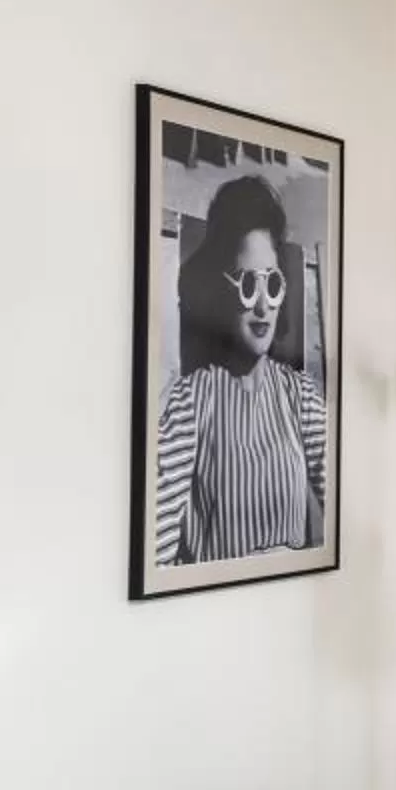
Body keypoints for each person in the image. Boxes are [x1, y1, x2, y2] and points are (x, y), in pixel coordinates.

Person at [153, 175, 327, 565]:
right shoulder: (191, 402)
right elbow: (152, 546)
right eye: (249, 284)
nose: (263, 306)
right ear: (221, 291)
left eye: (273, 284)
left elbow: (351, 511)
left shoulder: (302, 397)